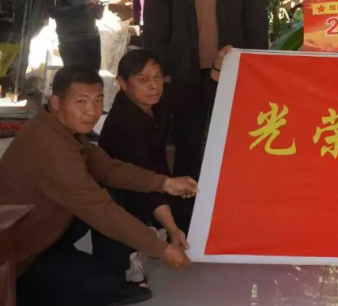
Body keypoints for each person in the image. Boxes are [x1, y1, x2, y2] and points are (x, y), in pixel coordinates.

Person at [0, 65, 196, 306]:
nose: (92, 111)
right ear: (57, 103)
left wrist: (165, 183)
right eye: (81, 102)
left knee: (115, 190)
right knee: (104, 286)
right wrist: (161, 249)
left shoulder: (62, 128)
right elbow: (99, 209)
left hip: (45, 230)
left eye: (98, 100)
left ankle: (103, 268)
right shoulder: (50, 147)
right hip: (20, 257)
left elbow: (109, 169)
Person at [143, 0, 268, 228]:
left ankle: (234, 213)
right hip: (183, 68)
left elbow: (255, 12)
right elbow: (155, 16)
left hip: (230, 65)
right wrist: (160, 67)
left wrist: (255, 61)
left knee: (233, 139)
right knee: (187, 141)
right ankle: (188, 221)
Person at [94, 49, 187, 288]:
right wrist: (172, 228)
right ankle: (128, 265)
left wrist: (217, 69)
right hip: (124, 189)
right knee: (121, 203)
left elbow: (196, 95)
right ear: (122, 83)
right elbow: (142, 179)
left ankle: (155, 231)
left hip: (153, 180)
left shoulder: (156, 102)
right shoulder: (124, 125)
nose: (153, 85)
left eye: (157, 77)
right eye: (143, 79)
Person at [49, 0, 104, 72]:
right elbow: (54, 12)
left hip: (93, 38)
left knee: (93, 76)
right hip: (71, 42)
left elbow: (96, 15)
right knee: (75, 76)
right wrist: (83, 6)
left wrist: (99, 11)